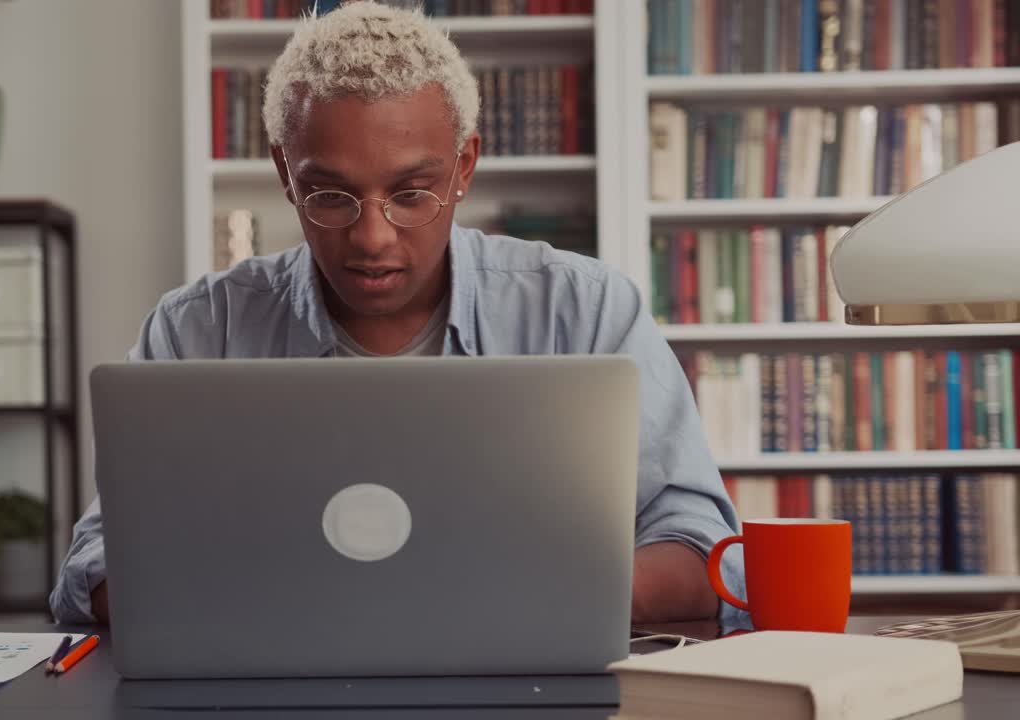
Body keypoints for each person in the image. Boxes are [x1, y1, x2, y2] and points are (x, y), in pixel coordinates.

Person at [51, 0, 745, 626]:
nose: (373, 237)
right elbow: (96, 569)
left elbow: (704, 556)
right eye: (330, 195)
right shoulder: (197, 330)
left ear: (463, 168)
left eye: (412, 192)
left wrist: (515, 593)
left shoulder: (586, 312)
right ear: (285, 174)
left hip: (525, 675)